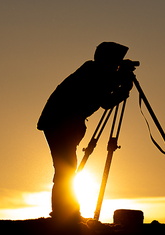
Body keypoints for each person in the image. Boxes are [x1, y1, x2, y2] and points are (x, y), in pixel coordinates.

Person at [37, 42, 134, 224]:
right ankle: (64, 214)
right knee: (66, 169)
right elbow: (105, 100)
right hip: (59, 124)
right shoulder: (92, 72)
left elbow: (103, 89)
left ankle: (66, 213)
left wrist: (120, 78)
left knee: (67, 168)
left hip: (61, 123)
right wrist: (124, 88)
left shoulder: (93, 71)